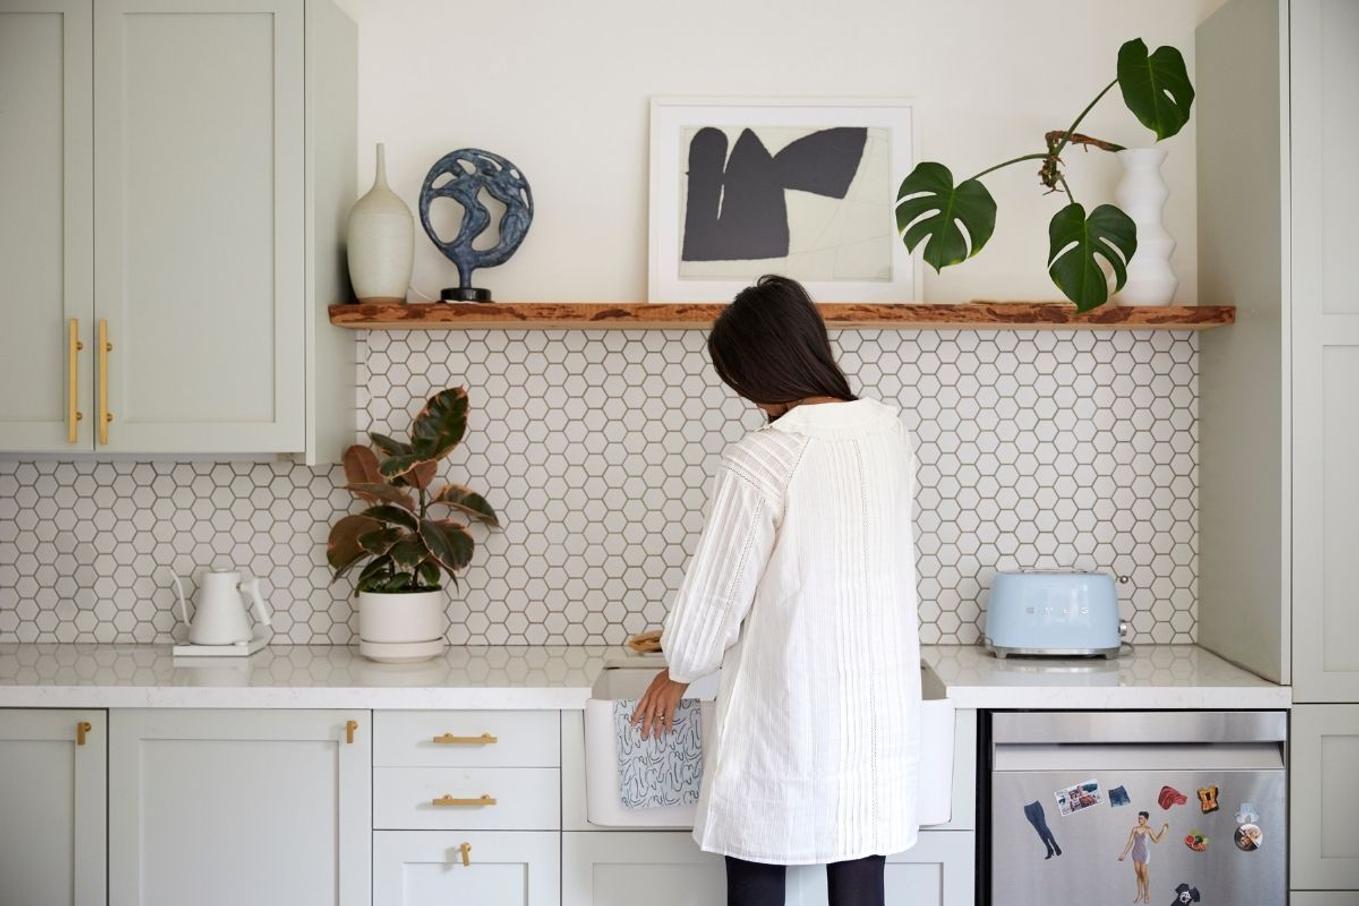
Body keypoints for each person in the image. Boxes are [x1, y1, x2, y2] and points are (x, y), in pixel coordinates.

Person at [631, 275, 923, 906]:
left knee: (760, 845)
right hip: (875, 703)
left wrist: (677, 668)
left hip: (791, 701)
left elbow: (718, 590)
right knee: (860, 858)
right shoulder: (887, 431)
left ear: (760, 370)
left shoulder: (764, 457)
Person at [1117, 810, 1170, 904]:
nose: (1139, 819)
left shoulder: (1148, 829)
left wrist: (1163, 831)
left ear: (1146, 819)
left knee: (1144, 874)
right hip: (1135, 853)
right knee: (1138, 875)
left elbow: (1156, 840)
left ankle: (1146, 894)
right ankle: (1139, 894)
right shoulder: (1134, 829)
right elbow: (1130, 842)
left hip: (1144, 854)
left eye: (1141, 818)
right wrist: (1124, 853)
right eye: (1138, 817)